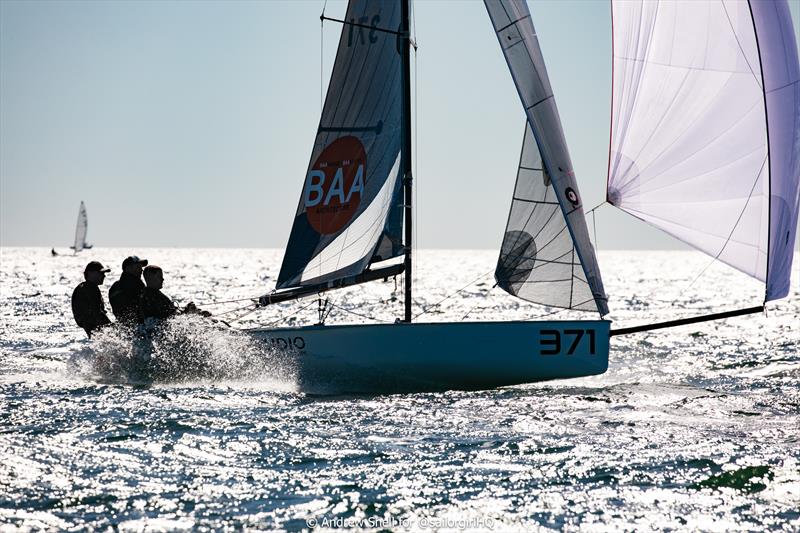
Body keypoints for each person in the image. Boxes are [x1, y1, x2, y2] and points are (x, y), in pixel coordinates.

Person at [140, 265, 211, 321]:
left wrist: (186, 310)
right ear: (150, 278)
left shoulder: (151, 293)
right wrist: (187, 311)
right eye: (159, 276)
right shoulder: (151, 296)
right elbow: (168, 316)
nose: (162, 279)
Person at [71, 261, 112, 338]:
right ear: (90, 273)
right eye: (101, 273)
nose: (104, 276)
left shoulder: (83, 287)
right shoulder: (90, 288)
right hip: (96, 327)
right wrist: (112, 328)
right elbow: (97, 312)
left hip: (90, 327)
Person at [109, 255, 148, 324]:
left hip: (124, 325)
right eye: (138, 267)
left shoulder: (115, 286)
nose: (141, 270)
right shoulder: (136, 284)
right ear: (128, 268)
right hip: (138, 325)